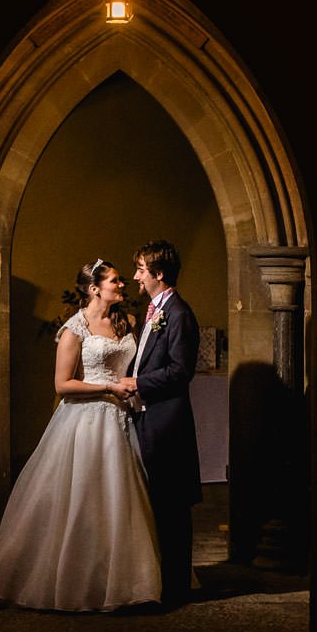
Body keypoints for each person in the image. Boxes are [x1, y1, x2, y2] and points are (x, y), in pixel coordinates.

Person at [0, 260, 161, 611]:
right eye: (115, 281)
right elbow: (63, 384)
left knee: (119, 501)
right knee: (83, 498)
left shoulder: (127, 322)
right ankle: (75, 581)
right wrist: (108, 388)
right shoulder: (74, 329)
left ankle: (126, 582)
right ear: (95, 288)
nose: (122, 285)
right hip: (86, 422)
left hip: (122, 420)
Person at [115, 239, 200, 607]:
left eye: (140, 269)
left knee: (172, 505)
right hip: (149, 417)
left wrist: (138, 383)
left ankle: (177, 587)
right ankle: (162, 581)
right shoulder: (153, 310)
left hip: (168, 422)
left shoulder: (179, 313)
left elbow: (182, 371)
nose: (135, 276)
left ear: (158, 273)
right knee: (159, 504)